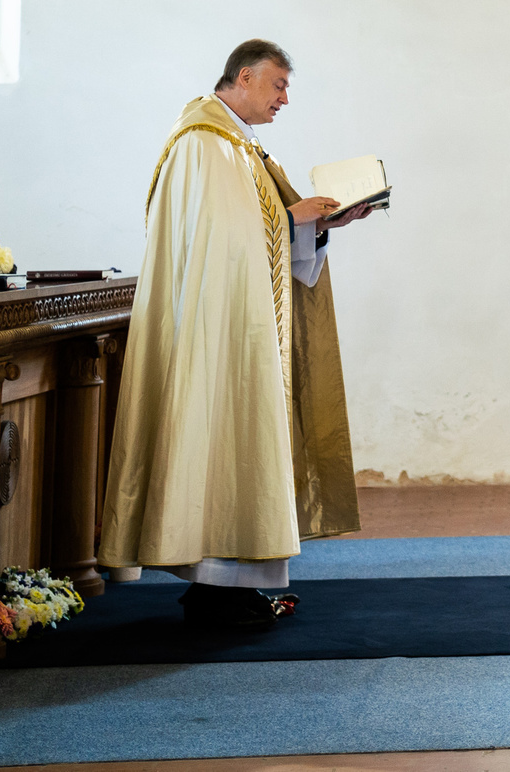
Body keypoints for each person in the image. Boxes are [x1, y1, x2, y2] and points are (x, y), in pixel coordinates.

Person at [98, 40, 376, 628]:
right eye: (278, 85)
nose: (284, 99)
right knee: (222, 438)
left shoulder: (240, 147)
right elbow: (218, 240)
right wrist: (292, 217)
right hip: (216, 334)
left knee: (244, 441)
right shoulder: (203, 142)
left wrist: (321, 224)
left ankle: (235, 588)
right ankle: (214, 592)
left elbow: (254, 237)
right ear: (243, 77)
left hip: (241, 325)